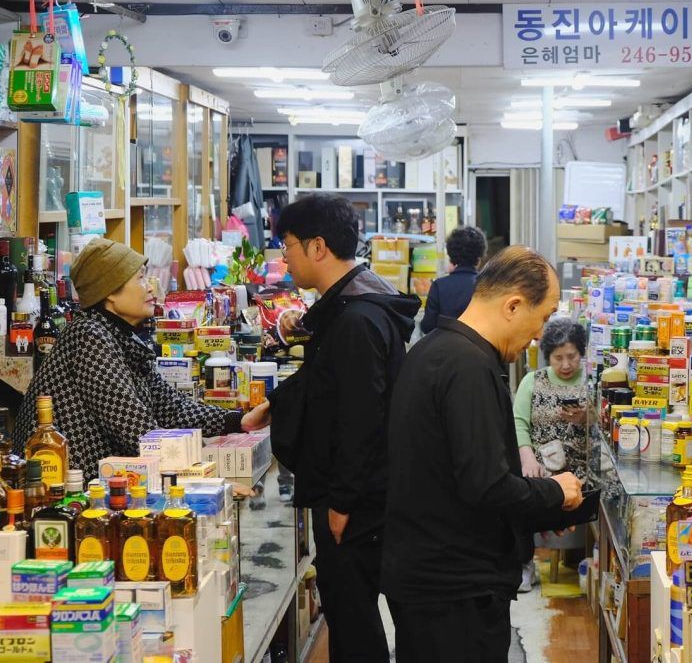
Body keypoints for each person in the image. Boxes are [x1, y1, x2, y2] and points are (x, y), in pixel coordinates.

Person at [383, 246, 585, 663]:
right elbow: (486, 484)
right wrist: (553, 492)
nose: (538, 334)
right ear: (513, 305)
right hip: (454, 590)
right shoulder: (468, 367)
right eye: (543, 317)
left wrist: (544, 507)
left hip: (431, 577)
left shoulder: (434, 350)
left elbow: (456, 474)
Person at [269, 195, 420, 662]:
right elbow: (330, 384)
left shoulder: (357, 320)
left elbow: (361, 418)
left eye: (287, 246)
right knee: (351, 614)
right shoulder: (354, 305)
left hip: (356, 501)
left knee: (353, 618)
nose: (283, 258)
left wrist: (342, 501)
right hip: (359, 493)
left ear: (317, 248)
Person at [12, 238, 270, 481]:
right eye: (139, 278)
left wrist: (237, 420)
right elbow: (138, 431)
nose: (149, 286)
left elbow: (171, 408)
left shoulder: (121, 336)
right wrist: (204, 480)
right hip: (75, 489)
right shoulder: (88, 336)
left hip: (108, 481)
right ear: (110, 292)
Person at [515, 317, 589, 592]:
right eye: (558, 358)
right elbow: (519, 422)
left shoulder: (591, 383)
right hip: (540, 467)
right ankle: (524, 563)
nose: (566, 365)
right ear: (548, 357)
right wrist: (527, 458)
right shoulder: (532, 381)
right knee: (521, 489)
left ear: (582, 353)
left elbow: (603, 427)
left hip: (581, 467)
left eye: (572, 356)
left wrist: (586, 418)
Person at [420, 225, 487, 334]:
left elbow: (427, 326)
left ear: (451, 255)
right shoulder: (487, 285)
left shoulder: (439, 286)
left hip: (445, 348)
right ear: (480, 256)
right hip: (478, 348)